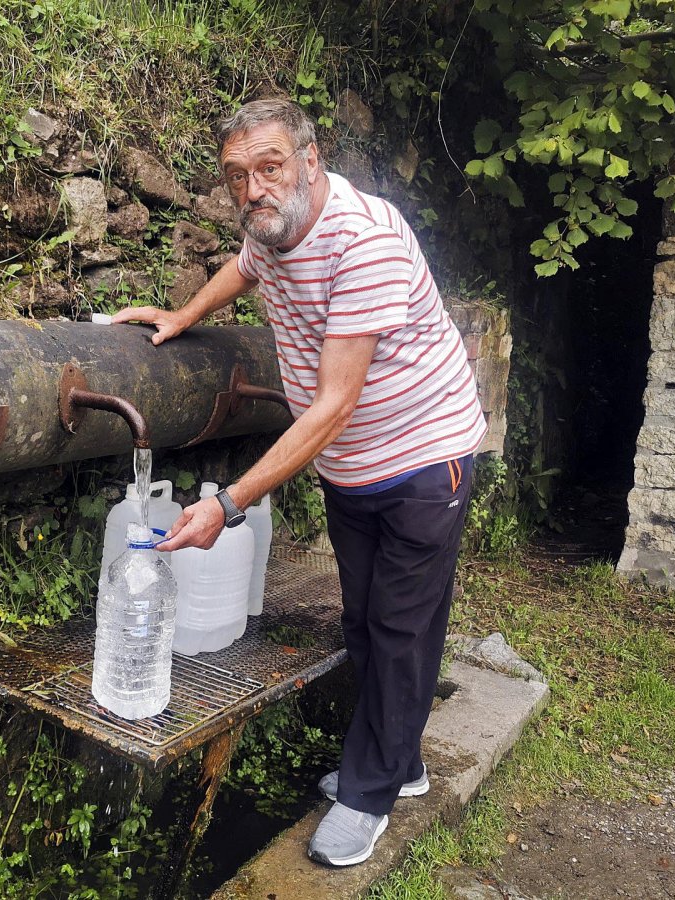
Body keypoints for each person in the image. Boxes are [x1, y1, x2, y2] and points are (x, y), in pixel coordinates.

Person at [111, 97, 486, 867]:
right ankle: (398, 761)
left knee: (400, 625)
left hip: (425, 452)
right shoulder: (273, 228)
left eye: (270, 167)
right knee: (363, 619)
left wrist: (229, 503)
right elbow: (244, 270)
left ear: (311, 162)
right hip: (352, 466)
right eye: (236, 175)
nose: (252, 188)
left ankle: (370, 796)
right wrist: (185, 315)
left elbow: (333, 405)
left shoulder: (366, 243)